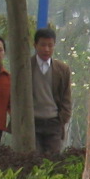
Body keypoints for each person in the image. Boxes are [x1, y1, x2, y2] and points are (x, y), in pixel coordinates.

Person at [30, 26, 72, 154]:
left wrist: (62, 119)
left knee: (53, 161)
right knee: (33, 158)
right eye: (43, 45)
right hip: (32, 122)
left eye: (50, 45)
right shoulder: (26, 67)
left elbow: (66, 98)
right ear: (35, 45)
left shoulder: (62, 69)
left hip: (54, 122)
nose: (46, 49)